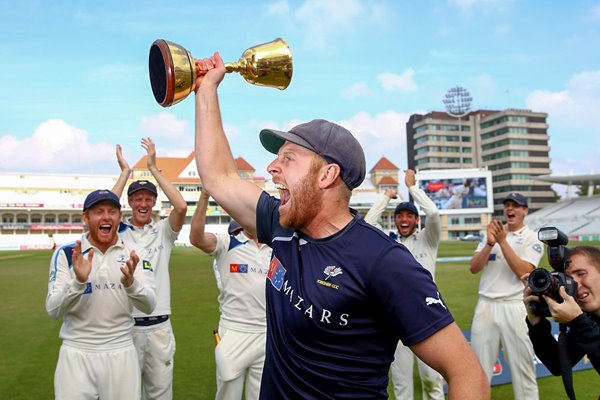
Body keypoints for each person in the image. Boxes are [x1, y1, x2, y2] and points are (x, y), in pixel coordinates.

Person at [192, 52, 489, 399]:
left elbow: (469, 375)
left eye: (288, 159)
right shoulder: (282, 227)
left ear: (328, 175)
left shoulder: (383, 262)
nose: (272, 167)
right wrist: (207, 90)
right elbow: (219, 176)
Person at [45, 189, 156, 399]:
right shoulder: (68, 254)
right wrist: (78, 283)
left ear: (119, 217)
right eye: (98, 211)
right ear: (86, 217)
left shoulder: (135, 253)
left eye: (112, 211)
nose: (106, 217)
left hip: (121, 351)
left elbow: (149, 305)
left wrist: (131, 285)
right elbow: (53, 309)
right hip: (77, 351)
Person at [112, 137, 187, 400]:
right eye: (137, 199)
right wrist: (124, 173)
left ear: (154, 203)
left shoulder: (163, 232)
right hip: (126, 327)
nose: (143, 204)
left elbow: (181, 206)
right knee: (125, 394)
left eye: (148, 199)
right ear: (129, 203)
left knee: (160, 395)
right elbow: (107, 208)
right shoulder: (117, 233)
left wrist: (154, 169)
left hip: (159, 328)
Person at [364, 170, 445, 400]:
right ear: (396, 219)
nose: (405, 220)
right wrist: (386, 197)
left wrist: (413, 188)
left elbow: (434, 213)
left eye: (410, 216)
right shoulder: (389, 243)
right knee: (402, 386)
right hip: (395, 318)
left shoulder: (427, 240)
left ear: (416, 220)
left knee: (432, 381)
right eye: (401, 216)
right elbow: (368, 224)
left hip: (428, 316)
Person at [189, 190, 272, 400]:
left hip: (267, 333)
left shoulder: (276, 247)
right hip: (235, 330)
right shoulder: (228, 243)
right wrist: (204, 198)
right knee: (228, 395)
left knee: (262, 395)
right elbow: (196, 238)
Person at [469, 192, 543, 400]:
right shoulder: (492, 235)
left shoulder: (532, 237)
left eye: (516, 206)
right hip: (486, 305)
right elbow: (474, 268)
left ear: (525, 211)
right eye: (507, 205)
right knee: (478, 372)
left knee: (523, 370)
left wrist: (502, 242)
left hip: (515, 306)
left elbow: (523, 272)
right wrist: (490, 243)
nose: (510, 209)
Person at [523, 245, 600, 374]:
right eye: (568, 279)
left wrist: (578, 322)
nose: (576, 284)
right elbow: (557, 364)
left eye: (581, 274)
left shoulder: (583, 321)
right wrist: (536, 321)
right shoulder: (589, 317)